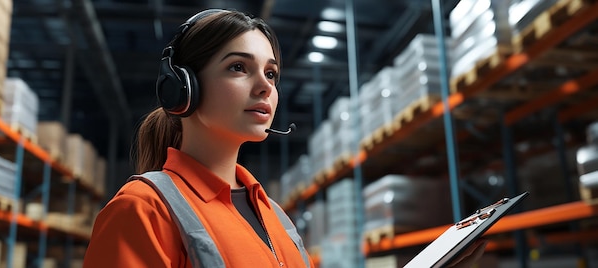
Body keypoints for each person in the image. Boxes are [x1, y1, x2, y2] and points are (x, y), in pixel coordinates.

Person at [83, 8, 485, 268]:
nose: (265, 87)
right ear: (181, 88)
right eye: (239, 67)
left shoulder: (274, 215)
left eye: (271, 73)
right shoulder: (142, 211)